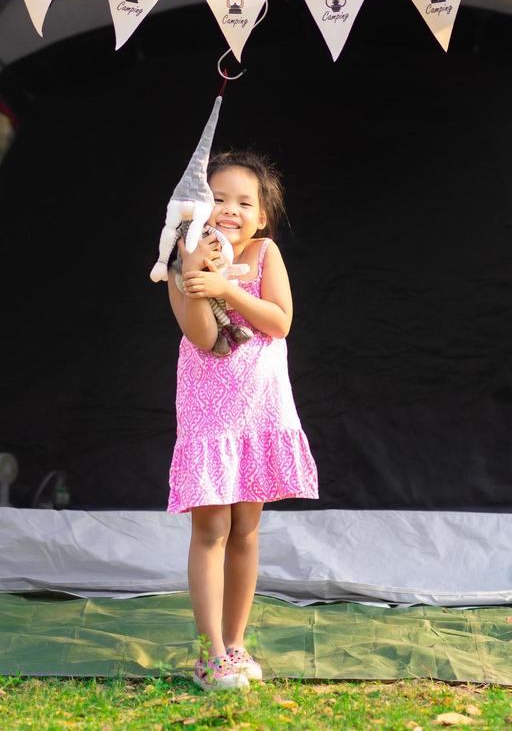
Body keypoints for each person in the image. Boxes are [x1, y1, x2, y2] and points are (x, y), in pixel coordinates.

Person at [165, 150, 319, 692]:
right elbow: (205, 338)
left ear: (262, 217)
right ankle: (211, 654)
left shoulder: (263, 253)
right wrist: (194, 276)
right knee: (211, 528)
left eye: (243, 201)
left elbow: (280, 323)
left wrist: (228, 287)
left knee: (247, 529)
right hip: (211, 415)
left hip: (259, 411)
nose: (230, 209)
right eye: (218, 199)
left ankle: (235, 643)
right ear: (197, 208)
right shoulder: (181, 261)